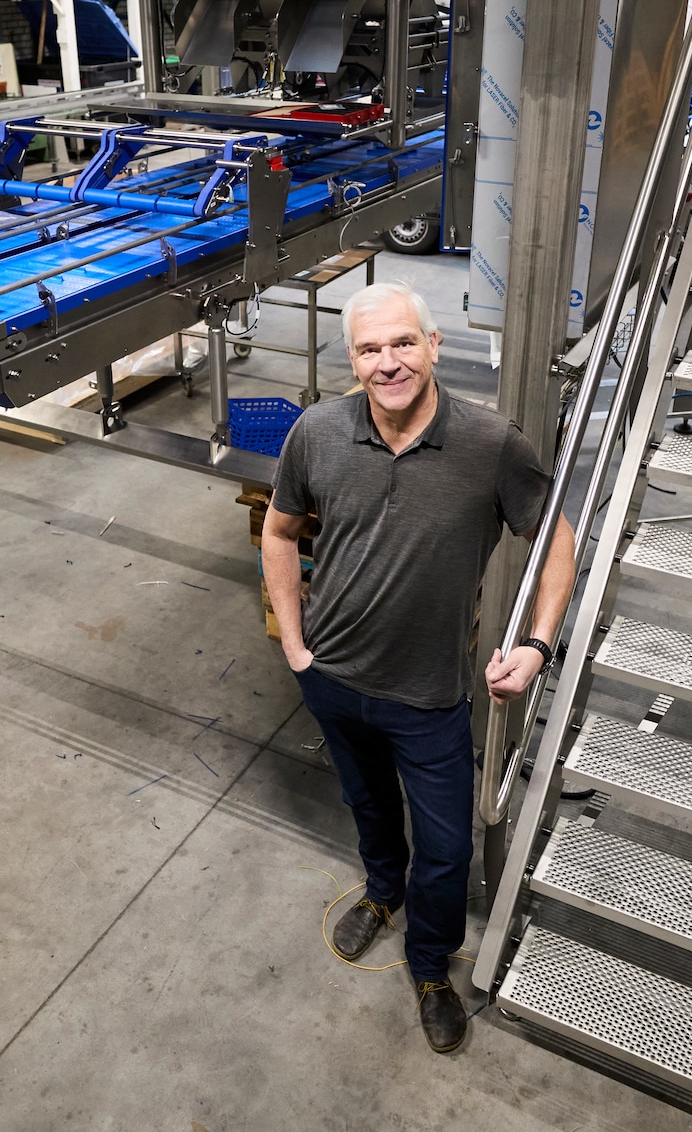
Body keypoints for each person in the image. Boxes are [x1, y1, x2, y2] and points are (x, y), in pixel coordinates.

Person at [261, 279, 576, 1054]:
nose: (388, 361)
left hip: (429, 697)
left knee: (447, 848)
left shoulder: (490, 444)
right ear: (352, 357)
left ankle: (430, 964)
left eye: (404, 342)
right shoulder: (317, 431)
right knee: (367, 805)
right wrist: (296, 647)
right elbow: (278, 530)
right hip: (331, 679)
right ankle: (380, 890)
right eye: (370, 348)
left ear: (434, 346)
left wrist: (536, 645)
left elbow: (557, 539)